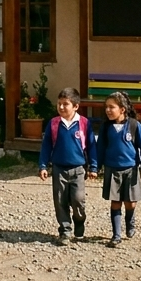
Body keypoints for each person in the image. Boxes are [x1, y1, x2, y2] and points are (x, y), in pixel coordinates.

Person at [38, 88, 98, 246]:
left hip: (78, 169)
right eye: (59, 104)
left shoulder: (84, 123)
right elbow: (46, 146)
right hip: (59, 168)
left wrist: (93, 166)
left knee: (78, 199)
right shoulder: (54, 124)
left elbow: (91, 146)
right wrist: (43, 165)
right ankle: (65, 231)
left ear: (76, 106)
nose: (62, 107)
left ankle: (79, 220)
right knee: (60, 201)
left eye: (66, 104)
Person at [95, 92, 141, 247]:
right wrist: (95, 166)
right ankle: (116, 235)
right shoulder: (106, 128)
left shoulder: (133, 125)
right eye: (106, 107)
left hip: (130, 169)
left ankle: (130, 222)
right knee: (115, 202)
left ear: (122, 109)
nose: (108, 110)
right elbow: (100, 149)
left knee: (130, 203)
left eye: (111, 107)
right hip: (112, 169)